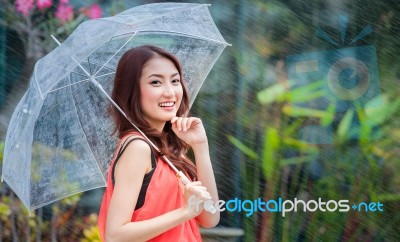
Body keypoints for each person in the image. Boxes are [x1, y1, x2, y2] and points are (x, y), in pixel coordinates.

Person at [98, 45, 220, 241]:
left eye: (175, 81)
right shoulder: (138, 147)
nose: (170, 92)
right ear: (132, 90)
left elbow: (210, 217)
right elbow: (116, 235)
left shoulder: (167, 148)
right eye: (156, 82)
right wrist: (185, 212)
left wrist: (200, 146)